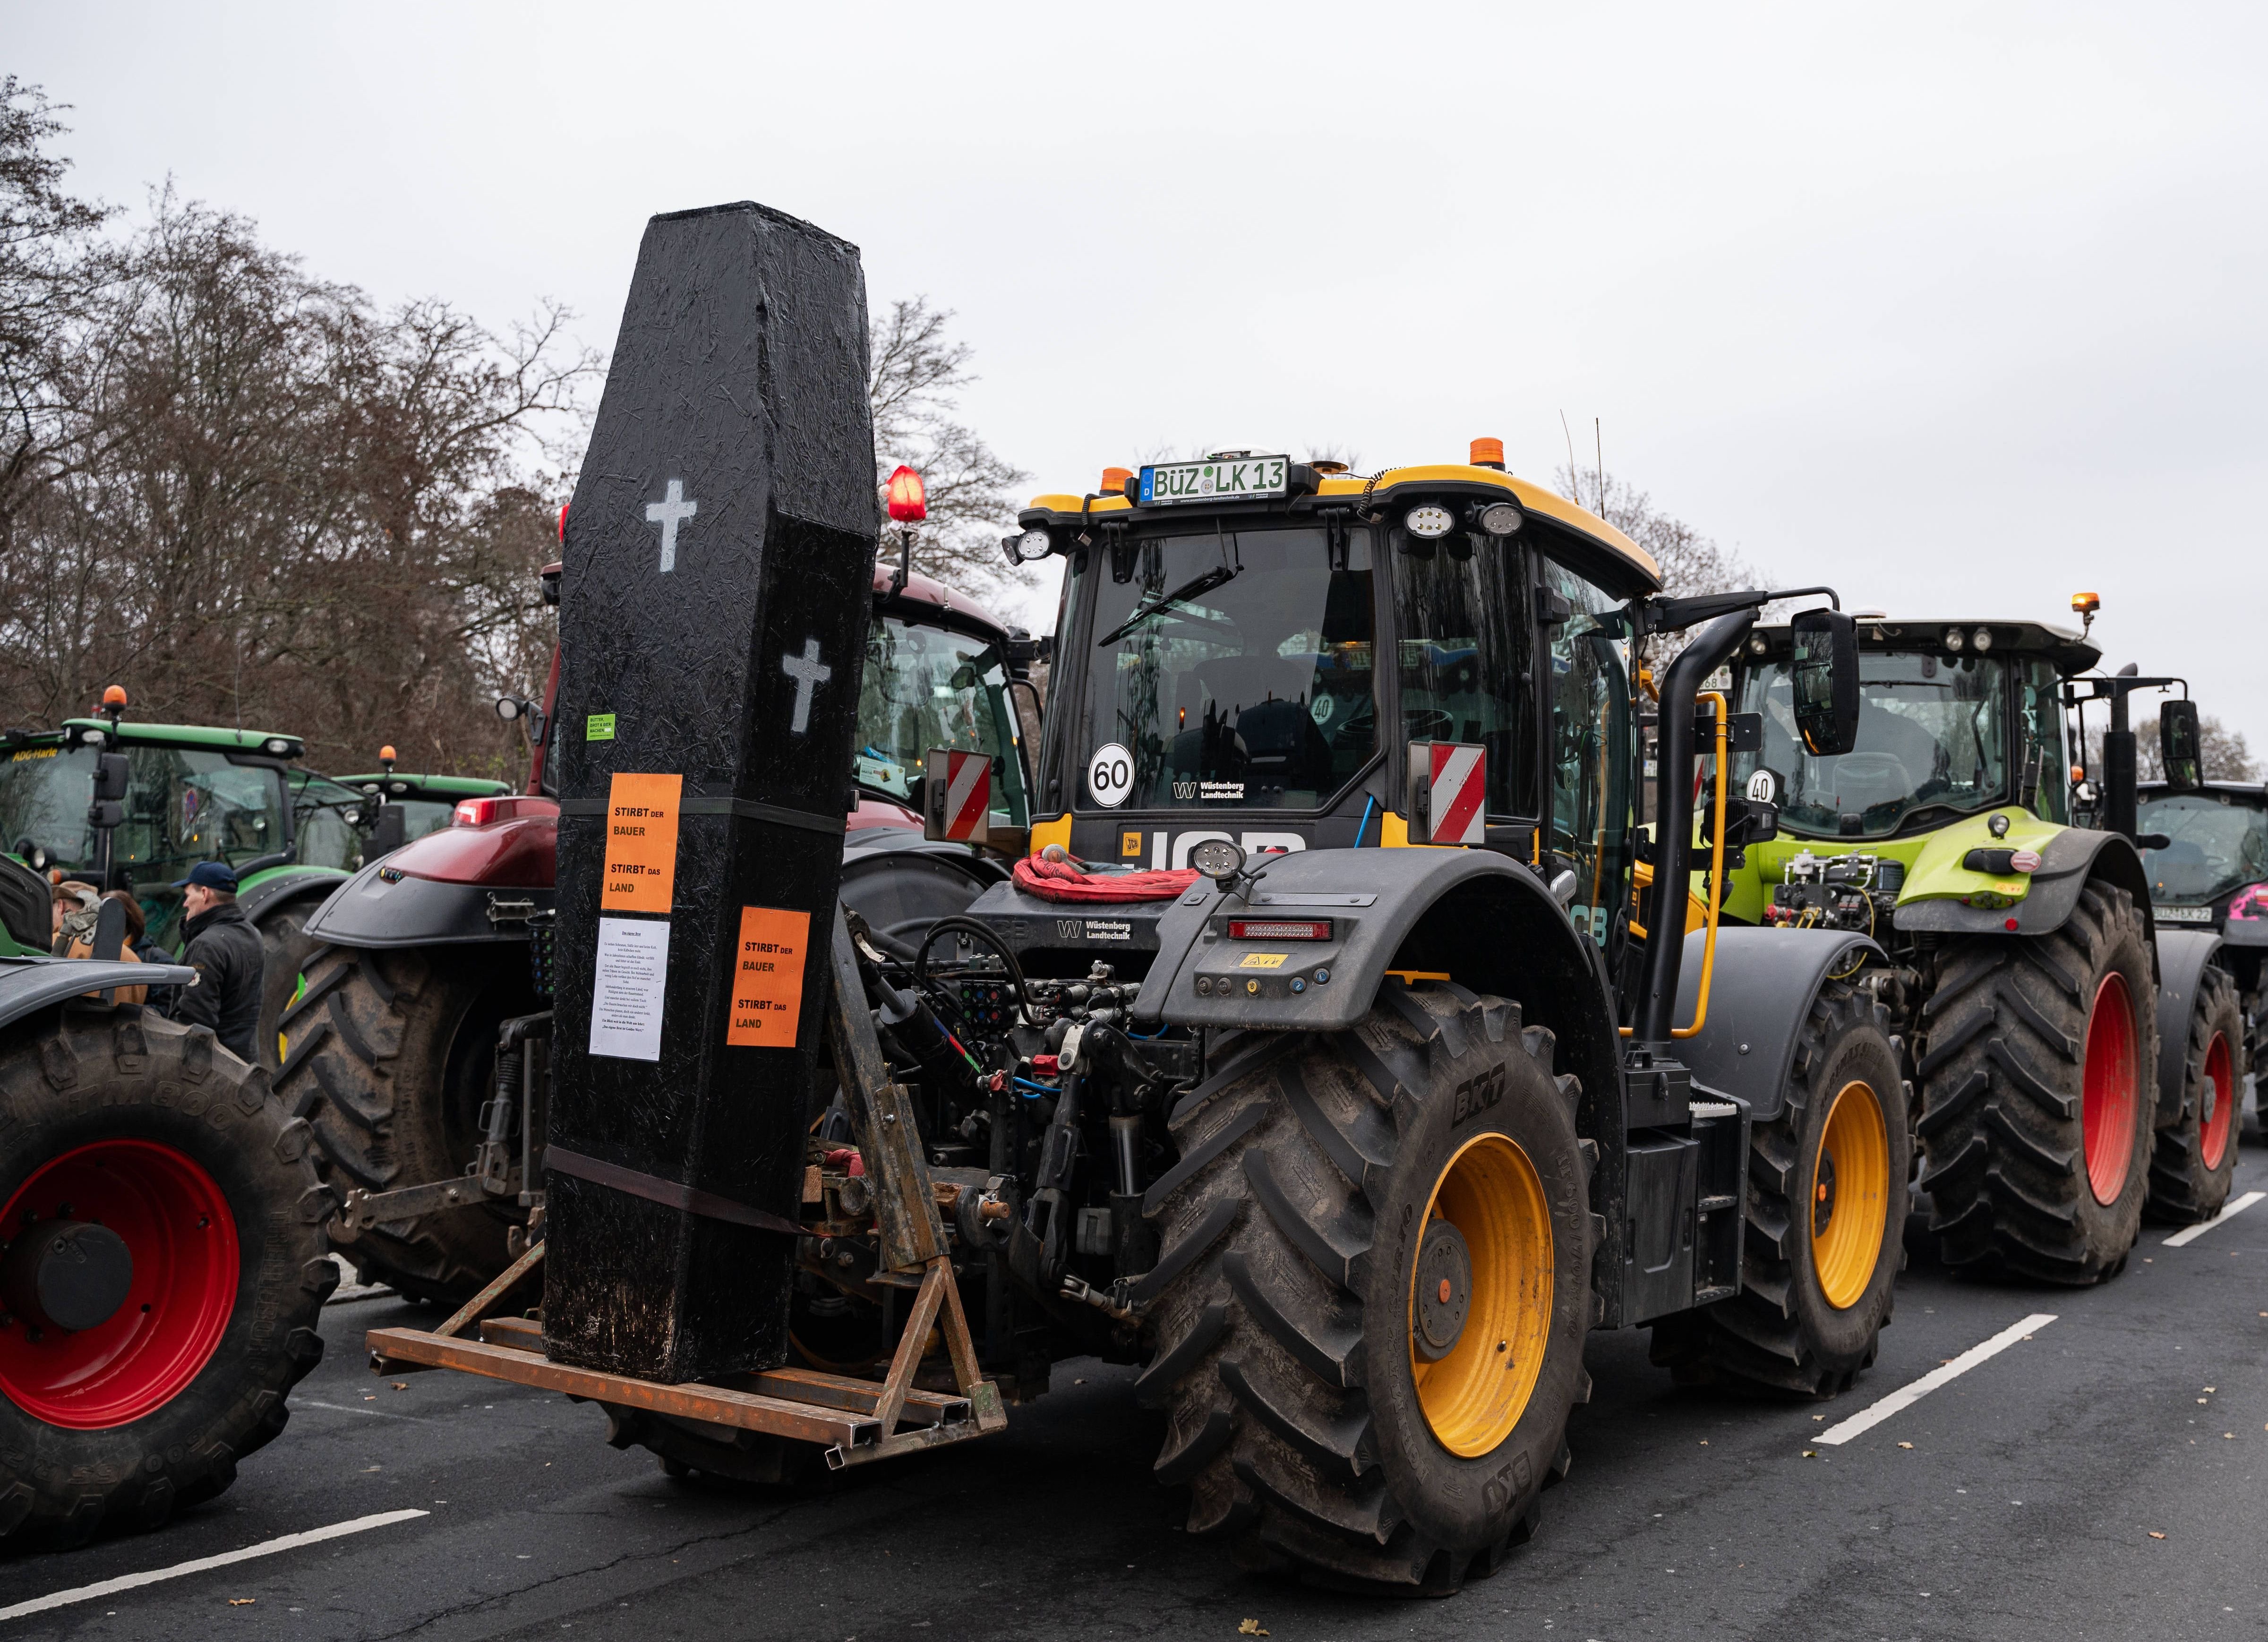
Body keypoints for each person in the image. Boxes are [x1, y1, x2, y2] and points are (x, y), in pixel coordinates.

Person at [168, 861, 264, 1060]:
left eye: (188, 896)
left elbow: (194, 1022)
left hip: (214, 1070)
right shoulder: (253, 935)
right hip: (245, 1061)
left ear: (205, 894)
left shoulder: (207, 946)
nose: (185, 904)